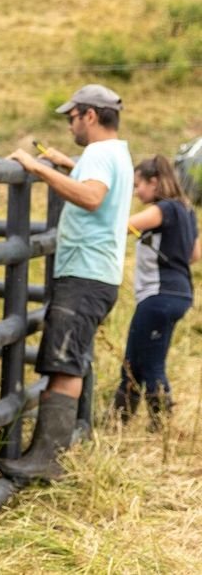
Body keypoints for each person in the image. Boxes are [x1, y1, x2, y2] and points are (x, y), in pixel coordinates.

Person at [0, 83, 133, 483]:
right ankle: (48, 455)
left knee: (64, 363)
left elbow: (92, 198)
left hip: (86, 274)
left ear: (89, 115)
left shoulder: (98, 153)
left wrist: (37, 166)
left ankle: (48, 460)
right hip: (95, 274)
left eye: (72, 117)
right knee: (66, 359)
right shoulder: (115, 153)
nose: (70, 125)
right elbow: (98, 189)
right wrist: (64, 162)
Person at [111, 155, 198, 428]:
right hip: (180, 292)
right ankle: (120, 420)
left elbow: (123, 227)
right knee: (134, 359)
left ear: (155, 182)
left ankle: (160, 425)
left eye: (139, 185)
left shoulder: (164, 209)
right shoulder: (187, 210)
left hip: (159, 295)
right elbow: (194, 255)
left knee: (150, 362)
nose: (137, 192)